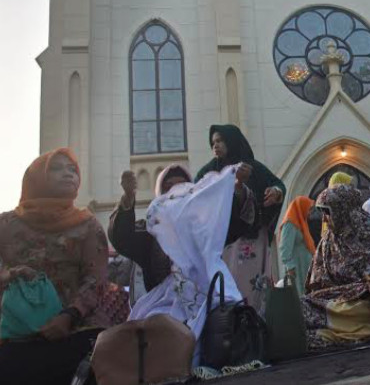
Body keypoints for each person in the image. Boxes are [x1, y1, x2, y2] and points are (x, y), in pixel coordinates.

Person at [0, 149, 111, 385]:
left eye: (72, 170)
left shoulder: (88, 225)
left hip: (75, 332)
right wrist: (11, 275)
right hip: (14, 334)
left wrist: (69, 315)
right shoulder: (6, 225)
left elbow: (96, 279)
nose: (68, 174)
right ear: (37, 177)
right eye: (56, 168)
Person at [109, 164, 254, 297]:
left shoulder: (205, 226)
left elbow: (237, 224)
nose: (176, 191)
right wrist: (128, 198)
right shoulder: (150, 230)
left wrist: (238, 186)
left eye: (182, 185)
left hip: (208, 303)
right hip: (163, 306)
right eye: (168, 187)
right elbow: (122, 238)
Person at [302, 184, 370, 348]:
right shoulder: (328, 242)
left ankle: (346, 327)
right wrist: (336, 296)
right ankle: (340, 326)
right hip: (336, 303)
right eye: (322, 213)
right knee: (302, 307)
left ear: (344, 209)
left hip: (366, 303)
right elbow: (316, 285)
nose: (324, 219)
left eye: (328, 212)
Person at [196, 125, 286, 314]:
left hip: (252, 242)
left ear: (231, 140)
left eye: (220, 140)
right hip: (224, 244)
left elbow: (277, 184)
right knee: (227, 292)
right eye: (213, 143)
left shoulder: (252, 168)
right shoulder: (208, 173)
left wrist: (275, 193)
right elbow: (196, 198)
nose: (215, 146)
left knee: (254, 293)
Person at [278, 196, 319, 294]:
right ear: (301, 207)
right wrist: (290, 267)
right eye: (308, 209)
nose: (309, 213)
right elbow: (284, 248)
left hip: (303, 265)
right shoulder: (290, 224)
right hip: (296, 268)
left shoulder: (301, 221)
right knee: (298, 295)